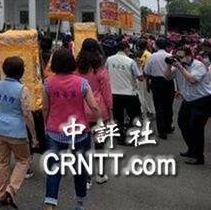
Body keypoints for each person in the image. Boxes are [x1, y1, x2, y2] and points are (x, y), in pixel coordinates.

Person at [43, 48, 101, 210]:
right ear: (71, 62)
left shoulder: (48, 82)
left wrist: (45, 125)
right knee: (80, 170)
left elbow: (45, 108)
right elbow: (94, 106)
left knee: (54, 169)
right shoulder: (81, 83)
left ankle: (50, 204)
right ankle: (80, 204)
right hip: (80, 133)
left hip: (55, 131)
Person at [0, 56, 37, 208]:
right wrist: (34, 136)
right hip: (17, 132)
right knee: (24, 160)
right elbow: (27, 114)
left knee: (2, 161)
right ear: (21, 72)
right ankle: (11, 189)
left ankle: (0, 194)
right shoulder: (22, 89)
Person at [165, 46, 211, 165]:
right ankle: (192, 149)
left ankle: (199, 157)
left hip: (202, 100)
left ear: (189, 56)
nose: (178, 59)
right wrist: (169, 65)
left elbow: (192, 80)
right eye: (177, 57)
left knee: (197, 128)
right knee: (182, 122)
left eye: (181, 57)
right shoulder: (179, 66)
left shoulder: (198, 65)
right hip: (188, 100)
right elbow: (167, 77)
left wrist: (180, 67)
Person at [76, 38, 112, 185]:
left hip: (80, 111)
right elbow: (107, 94)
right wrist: (111, 112)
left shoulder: (76, 69)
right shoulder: (101, 70)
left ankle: (86, 178)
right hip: (99, 111)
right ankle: (100, 175)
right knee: (100, 145)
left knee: (83, 146)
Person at [105, 40, 143, 143]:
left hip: (114, 92)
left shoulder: (109, 59)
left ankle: (120, 137)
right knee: (134, 115)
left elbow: (105, 73)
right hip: (129, 93)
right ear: (126, 49)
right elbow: (140, 78)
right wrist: (140, 67)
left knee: (118, 116)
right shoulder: (131, 61)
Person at [144, 37, 176, 139]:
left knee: (159, 106)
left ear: (156, 45)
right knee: (168, 105)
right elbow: (174, 69)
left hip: (156, 82)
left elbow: (147, 71)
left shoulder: (152, 56)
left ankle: (162, 131)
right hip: (168, 82)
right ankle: (168, 126)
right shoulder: (170, 56)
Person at [135, 38, 156, 119]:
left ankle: (143, 111)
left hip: (138, 76)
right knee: (148, 95)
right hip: (147, 77)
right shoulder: (148, 54)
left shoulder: (135, 53)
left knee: (140, 94)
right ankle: (151, 111)